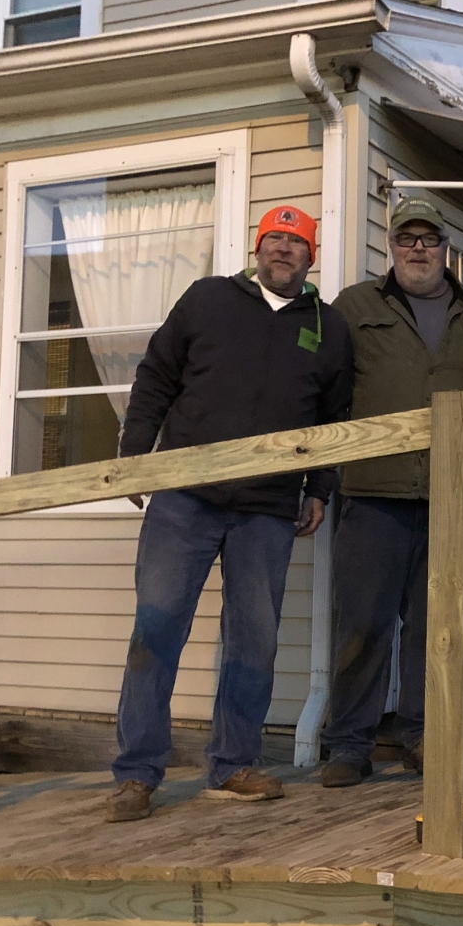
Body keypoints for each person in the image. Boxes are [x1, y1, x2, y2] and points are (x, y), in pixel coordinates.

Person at [106, 205, 354, 823]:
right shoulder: (208, 299)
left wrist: (319, 485)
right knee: (157, 629)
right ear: (257, 247)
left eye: (296, 243)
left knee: (254, 640)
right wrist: (136, 453)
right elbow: (157, 374)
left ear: (311, 257)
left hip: (269, 507)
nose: (283, 250)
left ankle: (233, 763)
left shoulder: (328, 328)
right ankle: (137, 774)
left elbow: (335, 418)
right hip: (184, 496)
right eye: (274, 239)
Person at [320, 197, 463, 787]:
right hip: (373, 492)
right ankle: (349, 743)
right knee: (363, 623)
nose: (418, 248)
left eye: (428, 238)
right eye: (406, 237)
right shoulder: (356, 307)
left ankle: (421, 735)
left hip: (448, 495)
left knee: (435, 626)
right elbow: (328, 393)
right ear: (390, 245)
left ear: (444, 247)